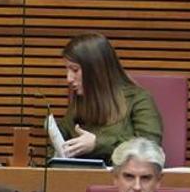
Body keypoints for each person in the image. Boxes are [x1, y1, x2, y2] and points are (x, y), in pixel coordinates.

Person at [54, 33, 162, 163]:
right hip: (83, 178)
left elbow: (150, 149)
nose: (69, 79)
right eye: (67, 70)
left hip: (127, 180)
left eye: (75, 70)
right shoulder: (81, 101)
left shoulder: (139, 100)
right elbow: (61, 141)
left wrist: (97, 144)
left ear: (96, 70)